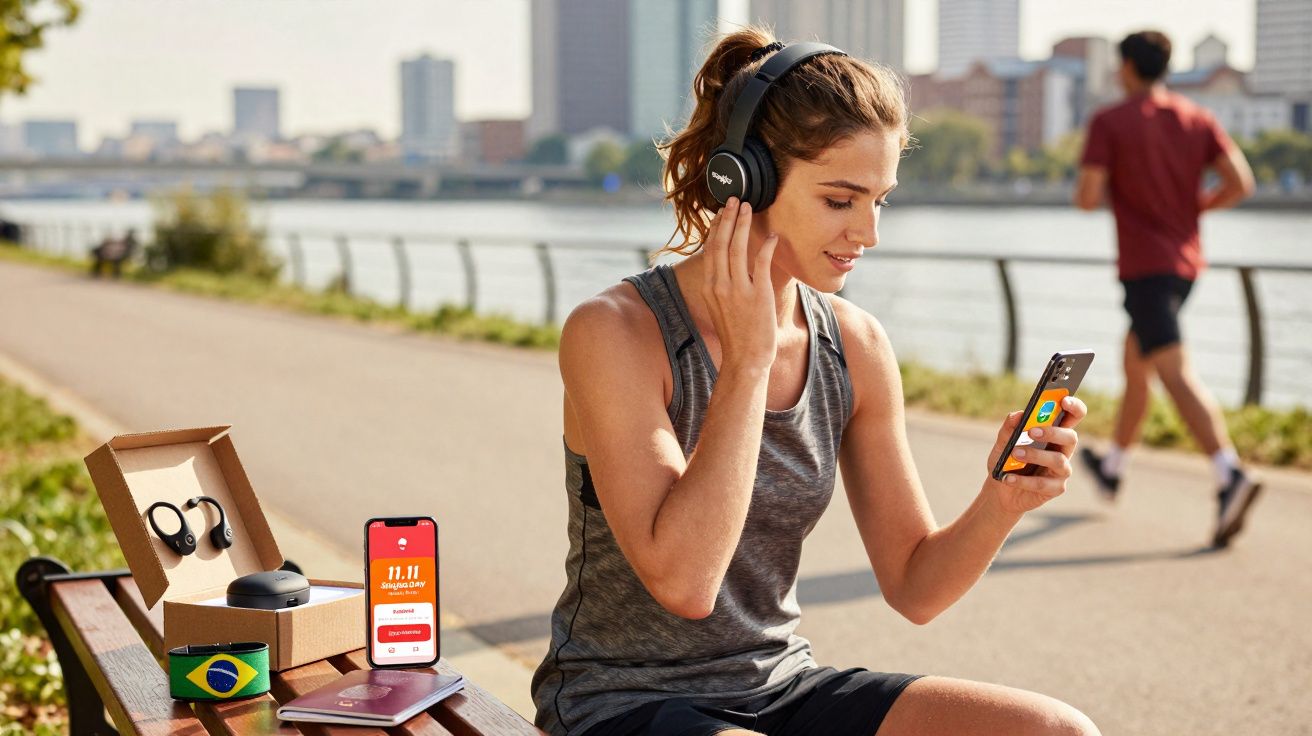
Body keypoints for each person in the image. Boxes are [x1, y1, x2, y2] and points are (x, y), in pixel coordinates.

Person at [531, 28, 1099, 736]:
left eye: (879, 200)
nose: (869, 232)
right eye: (840, 200)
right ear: (743, 179)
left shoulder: (854, 345)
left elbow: (916, 587)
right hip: (620, 702)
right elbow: (683, 582)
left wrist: (1003, 499)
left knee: (1055, 731)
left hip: (779, 686)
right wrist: (746, 364)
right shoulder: (616, 332)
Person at [1073, 30, 1261, 548]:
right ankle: (1113, 466)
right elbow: (1241, 183)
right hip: (1185, 265)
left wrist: (1116, 190)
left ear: (1128, 67)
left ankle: (1229, 474)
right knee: (1137, 362)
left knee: (1173, 371)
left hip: (1145, 267)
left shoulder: (1110, 122)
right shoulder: (1197, 118)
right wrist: (1192, 209)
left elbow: (1088, 197)